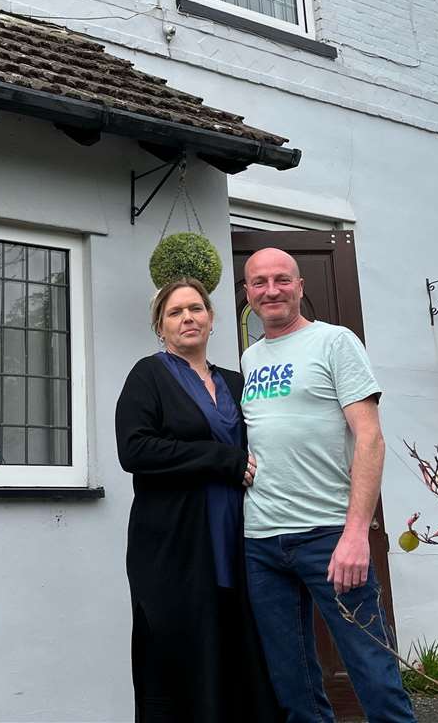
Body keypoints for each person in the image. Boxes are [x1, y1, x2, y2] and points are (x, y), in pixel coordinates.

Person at [239, 248, 416, 723]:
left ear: (300, 286)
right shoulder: (250, 357)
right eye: (259, 282)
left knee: (373, 671)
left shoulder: (335, 343)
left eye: (281, 280)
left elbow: (370, 438)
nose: (271, 290)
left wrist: (356, 533)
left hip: (328, 535)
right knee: (291, 682)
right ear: (247, 293)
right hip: (260, 540)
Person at [115, 277, 281, 723]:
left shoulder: (236, 381)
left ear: (211, 320)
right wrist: (218, 458)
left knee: (239, 656)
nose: (188, 318)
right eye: (175, 312)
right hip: (173, 546)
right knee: (178, 657)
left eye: (196, 309)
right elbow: (135, 450)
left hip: (238, 541)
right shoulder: (148, 376)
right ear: (161, 327)